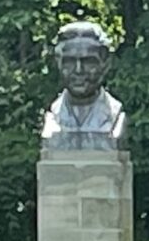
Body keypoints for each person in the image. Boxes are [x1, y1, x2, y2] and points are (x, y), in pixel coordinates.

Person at [41, 21, 126, 151]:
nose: (78, 70)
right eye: (69, 62)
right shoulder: (53, 118)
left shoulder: (116, 118)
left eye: (88, 62)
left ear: (105, 64)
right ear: (58, 64)